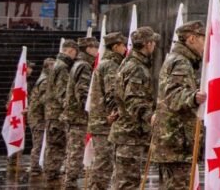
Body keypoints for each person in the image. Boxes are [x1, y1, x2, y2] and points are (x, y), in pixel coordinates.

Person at [150, 21, 207, 189]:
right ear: (191, 39)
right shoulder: (181, 62)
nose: (205, 44)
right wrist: (194, 97)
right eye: (203, 39)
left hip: (173, 142)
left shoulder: (178, 60)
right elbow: (174, 95)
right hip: (176, 142)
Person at [110, 27, 160, 190]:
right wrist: (149, 116)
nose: (154, 46)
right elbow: (133, 99)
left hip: (127, 133)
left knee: (123, 182)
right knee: (128, 183)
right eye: (152, 42)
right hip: (130, 135)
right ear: (146, 44)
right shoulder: (136, 67)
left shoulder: (129, 63)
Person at [83, 32, 127, 190]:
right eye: (123, 45)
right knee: (104, 164)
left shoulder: (105, 63)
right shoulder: (111, 65)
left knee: (102, 162)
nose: (125, 49)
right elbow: (112, 93)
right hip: (104, 122)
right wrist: (115, 112)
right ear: (116, 47)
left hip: (99, 120)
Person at [61, 36, 100, 186]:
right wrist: (91, 109)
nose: (97, 50)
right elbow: (83, 92)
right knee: (76, 150)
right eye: (95, 47)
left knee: (73, 149)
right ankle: (70, 181)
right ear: (89, 48)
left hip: (73, 114)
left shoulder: (77, 63)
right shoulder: (84, 66)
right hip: (78, 116)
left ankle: (69, 178)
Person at [43, 39, 78, 185]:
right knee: (57, 144)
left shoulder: (55, 65)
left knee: (52, 144)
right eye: (75, 53)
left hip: (51, 111)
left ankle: (50, 171)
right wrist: (69, 106)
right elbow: (62, 91)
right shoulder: (63, 67)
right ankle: (53, 172)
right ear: (70, 50)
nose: (75, 56)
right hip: (57, 113)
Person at [27, 58, 55, 178]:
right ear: (48, 67)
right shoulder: (44, 81)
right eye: (53, 66)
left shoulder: (44, 78)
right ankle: (34, 167)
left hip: (38, 117)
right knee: (38, 143)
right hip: (38, 118)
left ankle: (37, 165)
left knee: (39, 142)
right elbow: (45, 100)